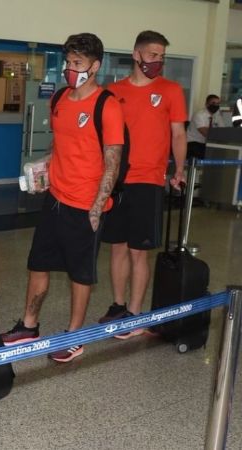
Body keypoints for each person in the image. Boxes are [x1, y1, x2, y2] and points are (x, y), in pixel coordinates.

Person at [0, 33, 124, 363]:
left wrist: (98, 207)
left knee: (80, 275)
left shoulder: (106, 105)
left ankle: (75, 334)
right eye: (68, 62)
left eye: (78, 63)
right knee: (37, 264)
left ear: (95, 66)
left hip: (85, 206)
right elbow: (62, 146)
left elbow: (113, 159)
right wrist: (44, 169)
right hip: (54, 200)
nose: (70, 69)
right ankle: (28, 325)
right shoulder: (60, 100)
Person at [97, 30, 188, 337]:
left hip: (149, 179)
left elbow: (178, 133)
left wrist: (179, 169)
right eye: (152, 54)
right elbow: (104, 136)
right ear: (136, 55)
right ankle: (118, 305)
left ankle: (135, 314)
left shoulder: (171, 90)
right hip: (119, 180)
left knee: (139, 251)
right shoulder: (113, 91)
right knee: (117, 248)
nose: (157, 61)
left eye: (162, 56)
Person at [186, 94, 223, 159]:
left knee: (220, 152)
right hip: (193, 142)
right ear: (207, 104)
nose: (216, 105)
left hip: (207, 143)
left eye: (218, 103)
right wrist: (217, 133)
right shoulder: (199, 115)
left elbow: (223, 130)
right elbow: (205, 132)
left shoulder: (217, 116)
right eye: (213, 103)